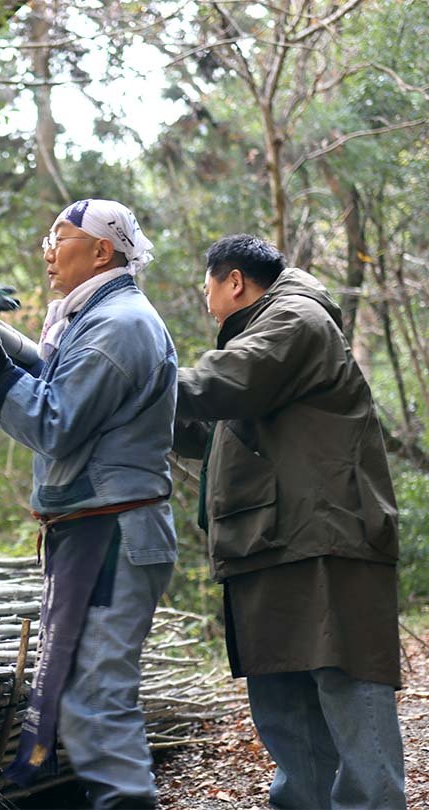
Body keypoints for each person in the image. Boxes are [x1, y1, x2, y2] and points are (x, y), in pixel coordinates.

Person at [0, 199, 178, 809]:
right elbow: (52, 383)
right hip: (94, 530)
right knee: (79, 694)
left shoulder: (118, 325)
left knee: (96, 699)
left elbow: (56, 421)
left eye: (58, 237)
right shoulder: (90, 319)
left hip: (111, 533)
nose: (47, 249)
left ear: (101, 250)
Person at [174, 234, 406, 809]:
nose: (206, 301)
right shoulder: (262, 341)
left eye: (208, 286)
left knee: (346, 686)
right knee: (283, 700)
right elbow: (210, 434)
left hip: (326, 537)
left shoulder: (295, 319)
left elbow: (221, 382)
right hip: (270, 542)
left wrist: (126, 379)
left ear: (234, 281)